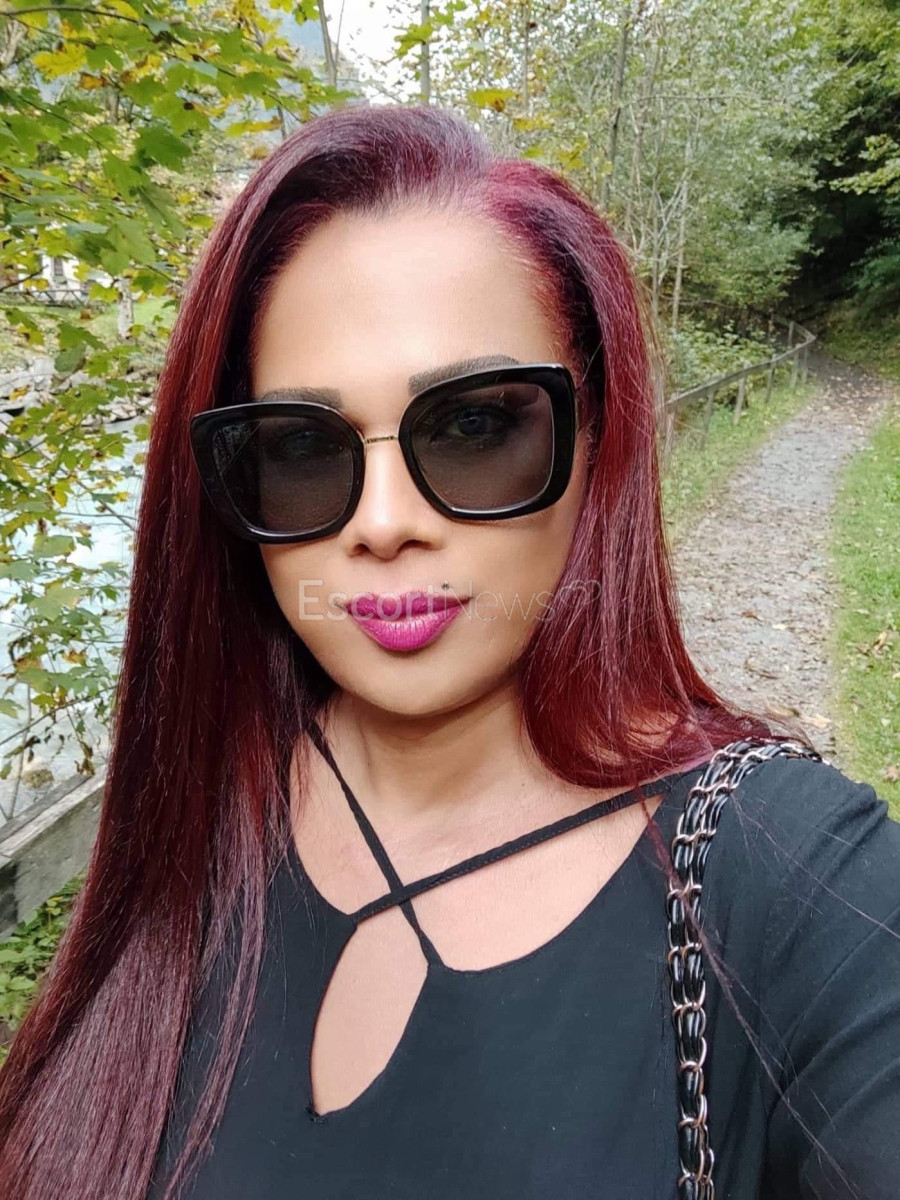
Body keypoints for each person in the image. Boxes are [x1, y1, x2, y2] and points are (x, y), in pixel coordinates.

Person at [0, 104, 898, 1200]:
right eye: (300, 447)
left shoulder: (799, 888)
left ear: (598, 439)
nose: (382, 524)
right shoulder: (197, 800)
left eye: (473, 426)